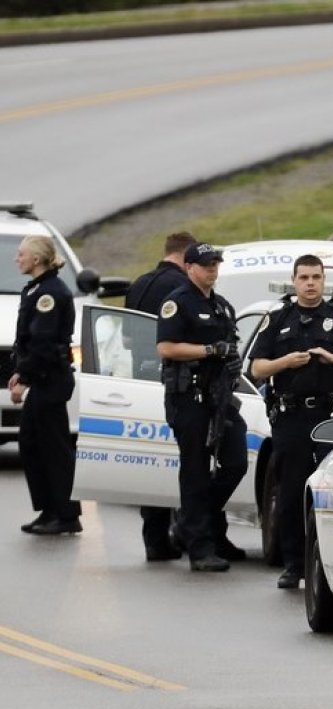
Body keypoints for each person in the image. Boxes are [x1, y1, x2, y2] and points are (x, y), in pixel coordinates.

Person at [249, 254, 333, 589]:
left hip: (330, 417)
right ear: (294, 281)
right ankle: (295, 565)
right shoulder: (278, 319)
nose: (310, 283)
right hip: (291, 417)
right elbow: (257, 369)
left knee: (330, 490)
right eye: (304, 277)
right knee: (291, 491)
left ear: (324, 281)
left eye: (316, 277)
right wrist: (285, 362)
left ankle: (329, 563)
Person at [156, 242, 249, 572]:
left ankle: (195, 523)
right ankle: (199, 546)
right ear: (189, 267)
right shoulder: (177, 303)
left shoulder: (222, 306)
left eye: (216, 264)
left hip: (220, 395)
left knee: (236, 461)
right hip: (189, 395)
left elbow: (230, 347)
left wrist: (231, 358)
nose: (212, 269)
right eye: (206, 264)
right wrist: (210, 349)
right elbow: (166, 347)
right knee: (195, 470)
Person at [125, 231, 199, 562]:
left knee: (150, 460)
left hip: (139, 382)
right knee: (184, 461)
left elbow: (127, 339)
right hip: (174, 382)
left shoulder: (139, 283)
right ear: (187, 258)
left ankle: (154, 538)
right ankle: (187, 530)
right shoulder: (182, 289)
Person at [9, 236, 82, 536]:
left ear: (36, 259)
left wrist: (24, 379)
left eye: (21, 254)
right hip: (41, 378)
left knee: (53, 448)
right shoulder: (38, 289)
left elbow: (42, 343)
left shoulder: (49, 294)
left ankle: (65, 514)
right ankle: (50, 509)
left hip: (48, 380)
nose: (17, 259)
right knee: (31, 443)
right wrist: (20, 371)